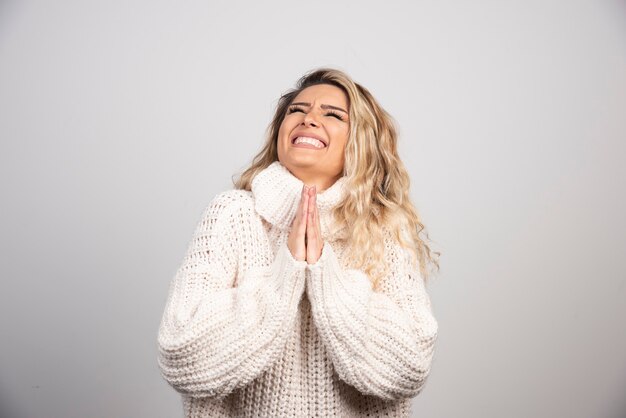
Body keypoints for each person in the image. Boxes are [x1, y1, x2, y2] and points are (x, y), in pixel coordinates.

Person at [156, 67, 440, 417]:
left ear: (361, 141)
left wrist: (327, 278)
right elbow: (181, 353)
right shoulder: (232, 214)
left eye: (332, 114)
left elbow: (408, 368)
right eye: (297, 110)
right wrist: (282, 276)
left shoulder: (385, 229)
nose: (309, 118)